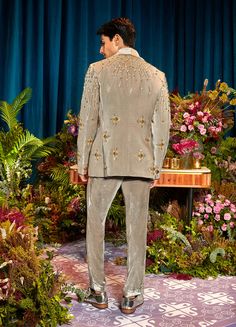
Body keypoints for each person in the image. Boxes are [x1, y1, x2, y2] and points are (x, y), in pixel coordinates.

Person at [77, 17, 170, 314]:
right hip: (142, 162)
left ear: (117, 40)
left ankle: (98, 291)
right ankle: (132, 294)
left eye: (103, 43)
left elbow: (88, 120)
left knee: (95, 225)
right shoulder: (157, 76)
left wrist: (82, 162)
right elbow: (162, 127)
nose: (101, 50)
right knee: (137, 228)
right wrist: (155, 165)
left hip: (103, 161)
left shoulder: (96, 72)